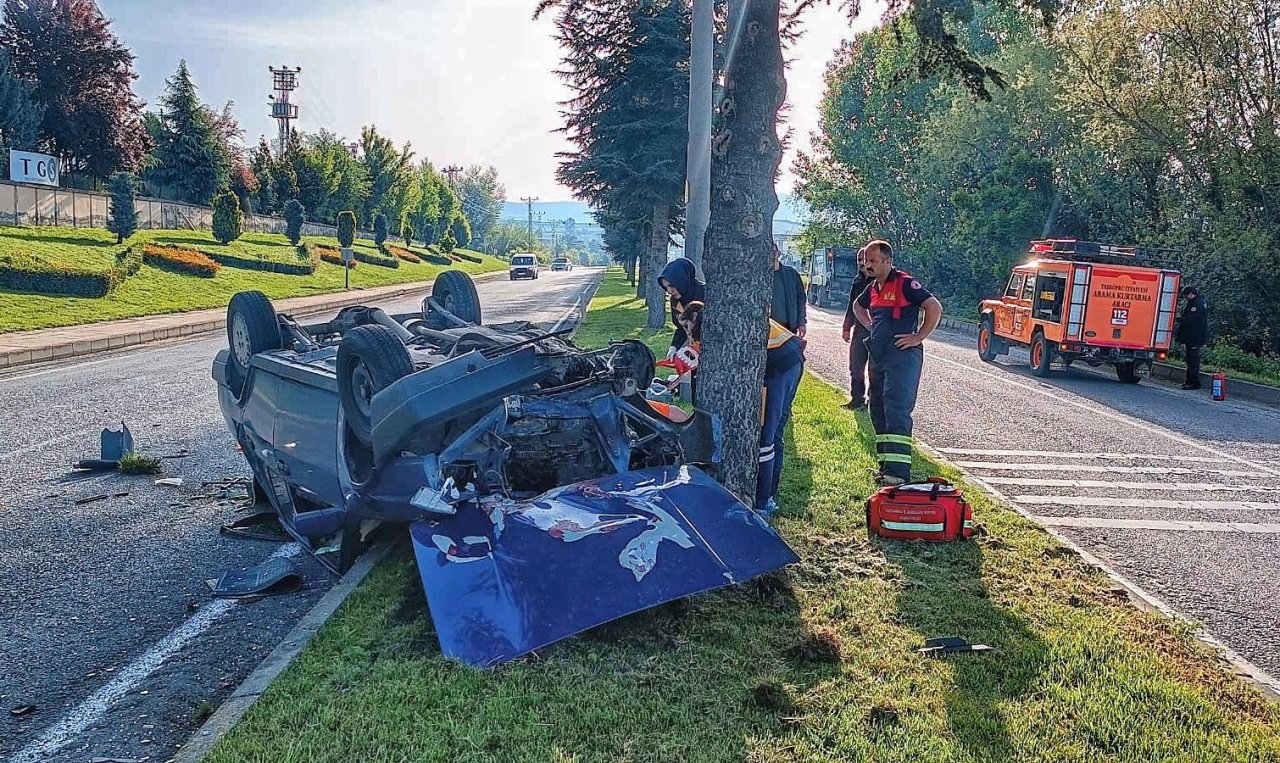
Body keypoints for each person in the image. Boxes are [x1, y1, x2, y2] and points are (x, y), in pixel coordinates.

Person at [851, 240, 942, 486]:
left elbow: (933, 307)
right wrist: (870, 325)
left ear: (888, 261)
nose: (867, 265)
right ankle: (886, 466)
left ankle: (899, 473)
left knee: (896, 410)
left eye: (873, 261)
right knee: (877, 409)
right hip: (879, 355)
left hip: (902, 357)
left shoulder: (904, 283)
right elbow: (858, 307)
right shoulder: (872, 288)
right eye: (866, 261)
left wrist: (918, 336)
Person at [757, 316, 806, 514]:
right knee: (774, 432)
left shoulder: (715, 325)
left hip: (782, 366)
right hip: (790, 358)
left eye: (688, 327)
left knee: (767, 435)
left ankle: (762, 500)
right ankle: (768, 494)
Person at [841, 247, 875, 410]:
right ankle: (856, 399)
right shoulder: (857, 281)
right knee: (855, 367)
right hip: (860, 330)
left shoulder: (880, 281)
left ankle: (871, 401)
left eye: (865, 259)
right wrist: (847, 327)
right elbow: (851, 306)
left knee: (874, 370)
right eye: (859, 260)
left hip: (877, 332)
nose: (862, 263)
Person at [657, 257, 706, 359]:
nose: (669, 291)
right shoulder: (675, 300)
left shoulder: (704, 293)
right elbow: (681, 327)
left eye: (671, 285)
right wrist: (674, 346)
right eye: (666, 287)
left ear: (681, 279)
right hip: (691, 350)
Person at [1176, 286, 1210, 390]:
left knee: (1193, 360)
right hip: (1193, 336)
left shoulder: (1197, 304)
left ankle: (1194, 382)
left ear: (1190, 294)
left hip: (1194, 336)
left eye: (1187, 296)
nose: (1186, 298)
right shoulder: (1198, 301)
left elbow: (1190, 319)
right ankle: (1189, 381)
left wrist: (1178, 318)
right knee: (1190, 359)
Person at [771, 244, 807, 337]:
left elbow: (801, 299)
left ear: (778, 253)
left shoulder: (791, 274)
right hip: (764, 329)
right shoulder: (757, 277)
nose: (771, 255)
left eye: (773, 252)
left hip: (787, 329)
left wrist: (801, 323)